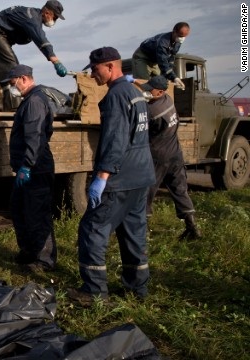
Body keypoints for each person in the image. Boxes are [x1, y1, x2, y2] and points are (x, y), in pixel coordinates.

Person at [67, 47, 155, 306]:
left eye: (95, 69)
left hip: (120, 177)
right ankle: (137, 288)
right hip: (141, 175)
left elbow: (115, 139)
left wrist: (103, 175)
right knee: (133, 232)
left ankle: (94, 293)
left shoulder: (116, 95)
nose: (92, 75)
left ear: (110, 67)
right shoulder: (134, 93)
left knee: (93, 229)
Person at [3, 64, 57, 273]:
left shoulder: (35, 101)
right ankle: (29, 252)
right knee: (19, 208)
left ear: (24, 79)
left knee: (37, 213)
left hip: (36, 168)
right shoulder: (30, 100)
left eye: (12, 82)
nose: (11, 87)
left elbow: (35, 136)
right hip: (28, 167)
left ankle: (45, 260)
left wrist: (27, 164)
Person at [136, 75, 202, 240]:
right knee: (179, 189)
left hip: (158, 156)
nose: (146, 92)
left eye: (149, 90)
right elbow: (147, 89)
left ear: (159, 92)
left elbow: (139, 130)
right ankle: (192, 227)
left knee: (147, 191)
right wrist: (133, 81)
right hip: (175, 153)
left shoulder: (152, 112)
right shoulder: (168, 99)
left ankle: (142, 232)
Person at [0, 1, 68, 111]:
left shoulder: (34, 17)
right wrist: (56, 62)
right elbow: (41, 40)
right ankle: (15, 109)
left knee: (2, 70)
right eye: (55, 17)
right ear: (47, 12)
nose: (55, 21)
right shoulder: (32, 18)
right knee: (14, 72)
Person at [132, 22, 190, 90]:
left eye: (184, 37)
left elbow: (171, 59)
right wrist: (174, 77)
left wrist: (171, 77)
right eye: (180, 36)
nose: (182, 39)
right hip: (142, 58)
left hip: (155, 61)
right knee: (143, 82)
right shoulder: (163, 42)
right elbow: (163, 63)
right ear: (174, 32)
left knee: (161, 82)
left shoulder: (177, 42)